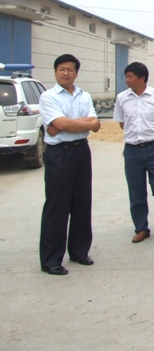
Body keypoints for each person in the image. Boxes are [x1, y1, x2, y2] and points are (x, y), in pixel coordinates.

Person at [38, 54, 101, 275]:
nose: (65, 73)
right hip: (59, 154)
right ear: (55, 71)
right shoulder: (48, 96)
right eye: (61, 69)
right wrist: (70, 123)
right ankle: (51, 260)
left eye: (70, 69)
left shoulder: (85, 96)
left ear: (76, 73)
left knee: (82, 203)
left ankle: (79, 251)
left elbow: (96, 124)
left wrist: (67, 124)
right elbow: (62, 123)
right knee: (57, 206)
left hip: (81, 151)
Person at [113, 62, 154, 243]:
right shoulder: (122, 98)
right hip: (132, 150)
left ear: (142, 78)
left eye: (130, 76)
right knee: (136, 191)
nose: (127, 80)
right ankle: (141, 228)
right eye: (126, 76)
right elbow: (122, 122)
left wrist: (152, 132)